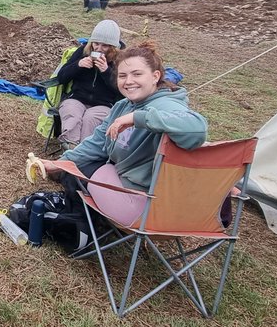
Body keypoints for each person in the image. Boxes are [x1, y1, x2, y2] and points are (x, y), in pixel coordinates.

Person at [38, 41, 207, 228]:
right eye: (122, 75)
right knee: (76, 167)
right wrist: (61, 162)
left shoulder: (166, 105)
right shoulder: (123, 106)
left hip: (146, 205)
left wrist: (138, 118)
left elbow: (197, 129)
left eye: (137, 74)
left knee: (77, 174)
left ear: (155, 76)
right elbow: (97, 142)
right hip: (129, 187)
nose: (128, 81)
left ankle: (83, 228)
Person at [50, 19, 125, 147]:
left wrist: (106, 71)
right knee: (71, 112)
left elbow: (122, 90)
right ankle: (70, 147)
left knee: (90, 119)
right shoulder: (82, 52)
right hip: (77, 98)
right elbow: (61, 78)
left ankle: (82, 151)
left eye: (105, 46)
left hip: (104, 104)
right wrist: (78, 65)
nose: (99, 48)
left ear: (113, 47)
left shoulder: (119, 60)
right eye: (96, 43)